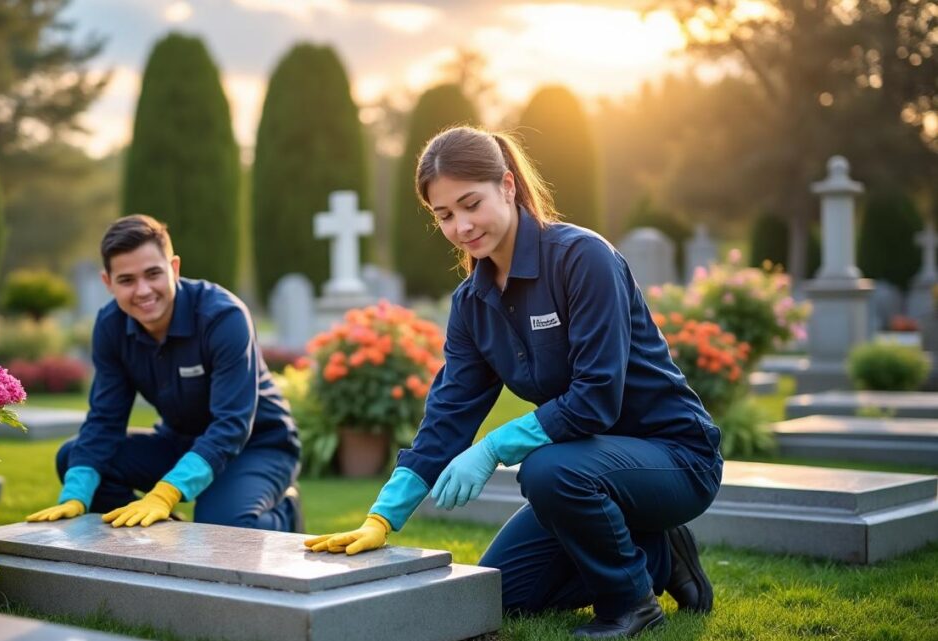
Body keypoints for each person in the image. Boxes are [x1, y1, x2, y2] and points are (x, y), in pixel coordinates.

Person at [304, 127, 721, 639]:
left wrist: (493, 447)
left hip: (675, 458)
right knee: (504, 595)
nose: (461, 226)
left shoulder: (582, 258)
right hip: (589, 466)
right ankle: (658, 553)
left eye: (470, 204)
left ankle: (630, 603)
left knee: (546, 470)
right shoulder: (471, 304)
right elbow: (448, 415)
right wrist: (382, 518)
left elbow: (596, 399)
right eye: (444, 215)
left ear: (506, 186)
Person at [27, 214, 302, 532]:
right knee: (75, 457)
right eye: (127, 280)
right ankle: (164, 536)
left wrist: (165, 493)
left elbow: (232, 425)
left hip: (257, 445)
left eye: (153, 274)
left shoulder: (223, 317)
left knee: (224, 526)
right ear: (108, 283)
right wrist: (74, 496)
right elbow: (105, 419)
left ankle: (286, 512)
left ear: (174, 267)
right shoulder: (110, 325)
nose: (143, 291)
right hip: (179, 442)